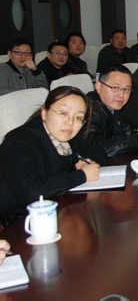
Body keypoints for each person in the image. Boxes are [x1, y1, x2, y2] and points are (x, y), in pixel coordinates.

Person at [0, 86, 107, 221]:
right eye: (63, 113)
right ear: (44, 113)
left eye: (78, 117)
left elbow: (97, 150)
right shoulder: (18, 143)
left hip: (52, 209)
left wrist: (88, 161)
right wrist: (82, 175)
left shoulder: (63, 138)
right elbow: (31, 192)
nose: (70, 122)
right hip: (15, 221)